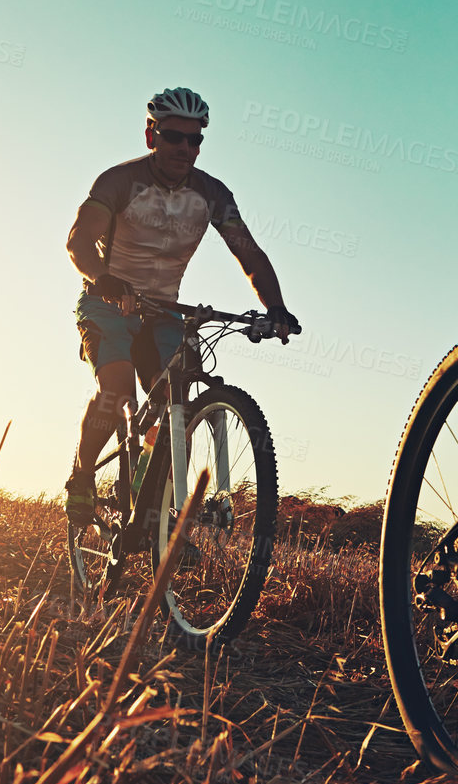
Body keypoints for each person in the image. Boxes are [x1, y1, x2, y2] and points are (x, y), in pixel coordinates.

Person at [64, 87, 300, 519]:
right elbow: (78, 242)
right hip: (107, 300)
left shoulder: (212, 193)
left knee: (179, 412)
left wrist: (277, 309)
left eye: (196, 140)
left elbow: (248, 253)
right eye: (175, 137)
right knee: (115, 389)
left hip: (164, 310)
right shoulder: (118, 181)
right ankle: (81, 476)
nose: (186, 148)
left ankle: (157, 517)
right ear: (152, 135)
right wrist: (105, 280)